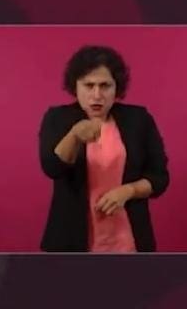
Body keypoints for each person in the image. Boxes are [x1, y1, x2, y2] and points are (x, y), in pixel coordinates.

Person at [38, 45, 170, 252]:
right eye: (88, 85)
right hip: (72, 241)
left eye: (105, 86)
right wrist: (74, 136)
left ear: (117, 87)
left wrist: (128, 191)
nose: (97, 94)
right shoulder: (57, 118)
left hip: (128, 240)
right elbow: (52, 168)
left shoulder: (139, 119)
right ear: (75, 86)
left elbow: (160, 177)